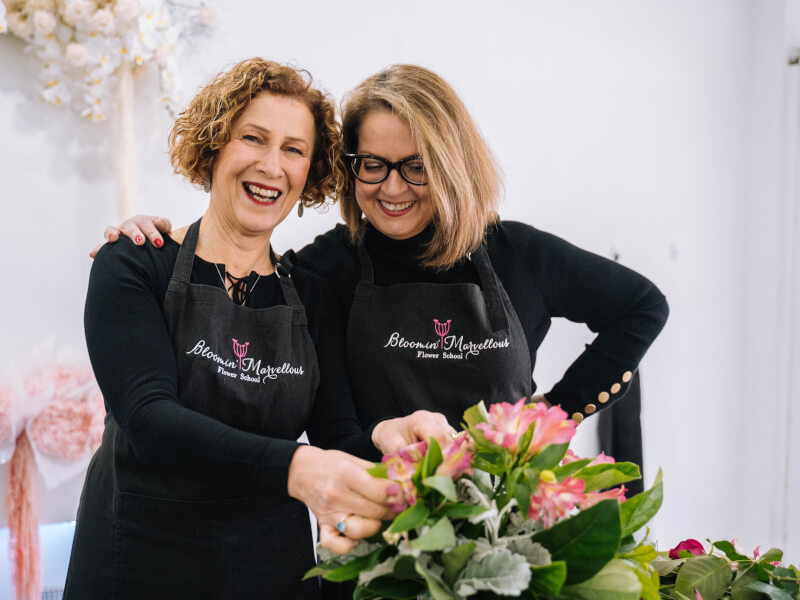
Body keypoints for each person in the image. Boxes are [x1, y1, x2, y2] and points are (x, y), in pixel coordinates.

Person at [67, 59, 454, 600]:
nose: (273, 165)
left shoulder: (312, 294)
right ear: (215, 145)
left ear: (311, 169)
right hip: (139, 562)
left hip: (271, 570)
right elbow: (149, 419)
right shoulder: (134, 264)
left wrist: (385, 436)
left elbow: (335, 436)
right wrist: (297, 468)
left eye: (294, 149)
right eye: (254, 138)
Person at [106, 64, 669, 433]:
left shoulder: (517, 253)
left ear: (451, 166)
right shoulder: (328, 268)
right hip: (377, 544)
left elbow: (641, 306)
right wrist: (161, 240)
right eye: (372, 165)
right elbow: (233, 273)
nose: (392, 188)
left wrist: (551, 420)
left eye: (416, 167)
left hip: (510, 528)